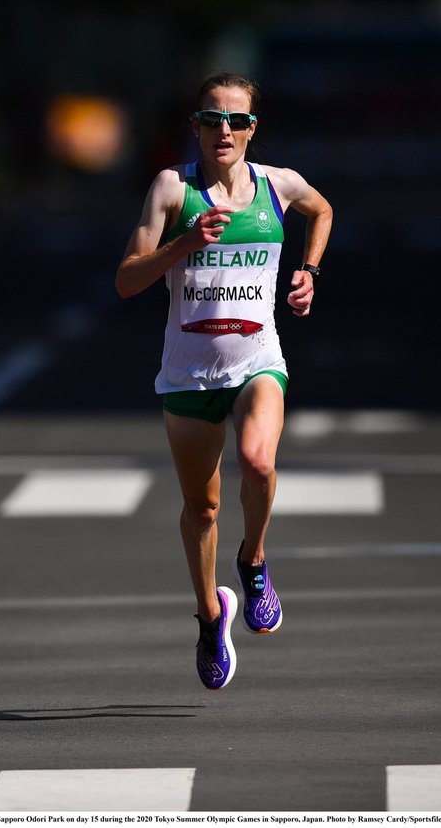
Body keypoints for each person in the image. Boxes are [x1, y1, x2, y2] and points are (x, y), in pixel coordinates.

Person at [115, 72, 333, 690]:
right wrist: (185, 242)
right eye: (212, 120)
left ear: (252, 129)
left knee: (258, 462)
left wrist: (310, 271)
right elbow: (128, 280)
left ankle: (254, 560)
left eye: (236, 121)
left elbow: (322, 209)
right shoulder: (172, 188)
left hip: (256, 358)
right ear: (196, 127)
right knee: (201, 506)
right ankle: (212, 617)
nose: (224, 131)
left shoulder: (277, 185)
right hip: (188, 372)